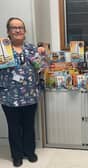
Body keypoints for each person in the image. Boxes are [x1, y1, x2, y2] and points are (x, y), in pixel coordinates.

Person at [0, 17, 45, 167]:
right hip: (9, 97)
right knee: (14, 128)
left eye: (20, 27)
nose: (18, 30)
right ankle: (17, 155)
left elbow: (42, 67)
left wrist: (43, 53)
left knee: (28, 126)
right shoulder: (2, 49)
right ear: (8, 31)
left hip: (30, 96)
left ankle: (29, 151)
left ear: (25, 31)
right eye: (14, 27)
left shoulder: (31, 49)